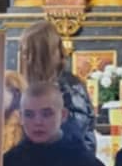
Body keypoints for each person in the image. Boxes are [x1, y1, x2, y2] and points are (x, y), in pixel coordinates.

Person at [18, 20, 96, 153]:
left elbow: (74, 134)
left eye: (28, 52)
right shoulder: (21, 85)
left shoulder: (70, 88)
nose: (25, 58)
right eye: (24, 52)